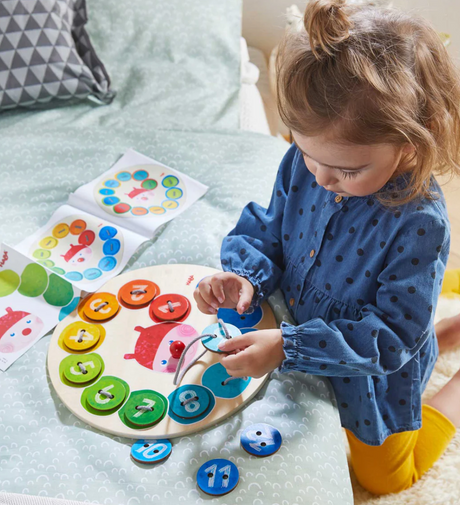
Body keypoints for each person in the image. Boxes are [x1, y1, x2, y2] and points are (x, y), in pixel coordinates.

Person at [194, 0, 460, 495]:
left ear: (410, 145)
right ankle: (444, 334)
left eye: (347, 170)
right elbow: (268, 228)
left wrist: (288, 348)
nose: (321, 178)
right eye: (306, 152)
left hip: (374, 378)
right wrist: (244, 277)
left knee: (384, 480)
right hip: (302, 337)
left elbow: (393, 337)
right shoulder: (307, 162)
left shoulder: (420, 223)